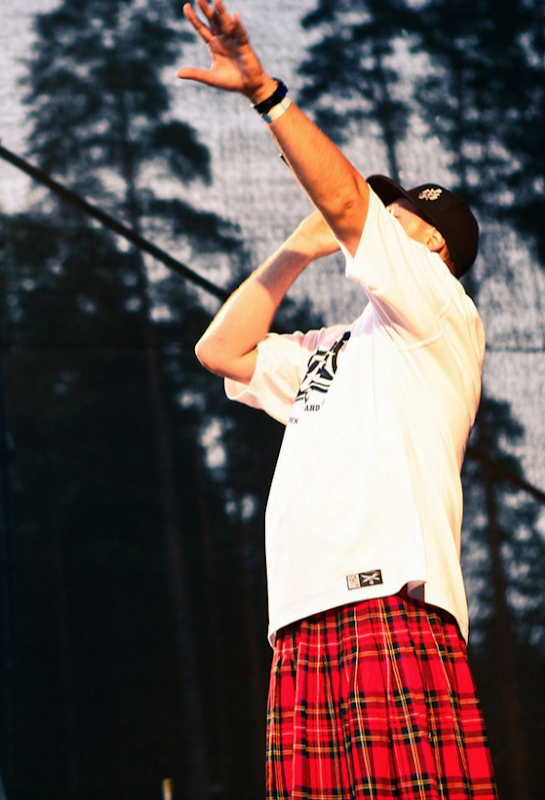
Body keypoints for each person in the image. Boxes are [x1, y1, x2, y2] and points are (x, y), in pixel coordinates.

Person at [180, 1, 498, 797]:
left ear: (429, 246)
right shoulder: (335, 345)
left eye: (395, 219)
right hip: (303, 612)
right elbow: (221, 352)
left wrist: (265, 93)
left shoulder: (437, 309)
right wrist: (293, 251)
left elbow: (348, 204)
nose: (370, 222)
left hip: (388, 599)